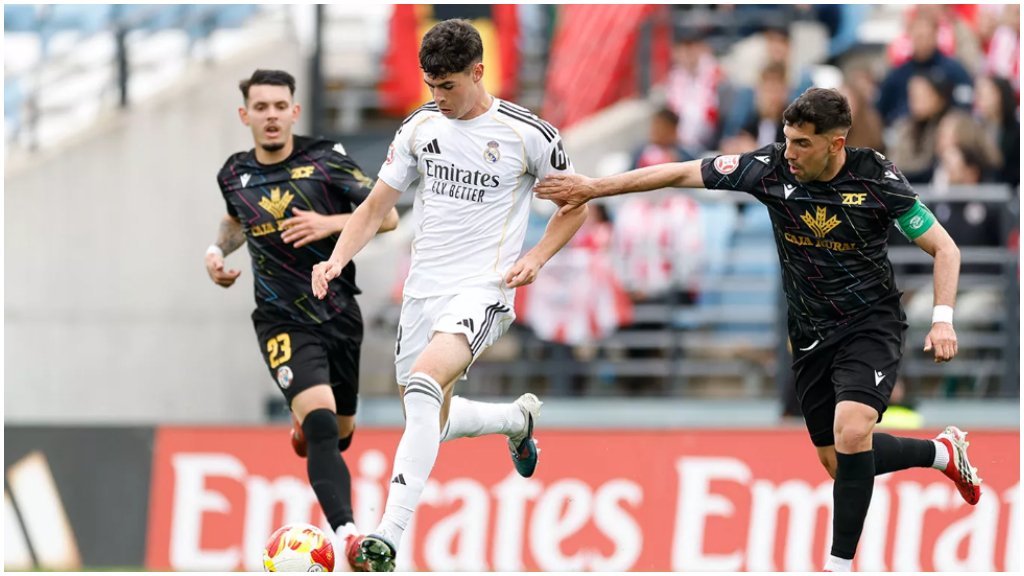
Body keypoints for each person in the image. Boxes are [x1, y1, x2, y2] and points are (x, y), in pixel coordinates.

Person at [536, 87, 983, 572]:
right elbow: (680, 172)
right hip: (810, 336)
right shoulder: (769, 168)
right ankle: (942, 453)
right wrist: (593, 187)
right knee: (840, 462)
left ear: (836, 143)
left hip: (869, 325)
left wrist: (942, 320)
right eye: (787, 140)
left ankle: (838, 565)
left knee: (853, 432)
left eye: (802, 144)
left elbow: (946, 249)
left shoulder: (876, 177)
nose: (789, 153)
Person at [311, 19, 586, 572]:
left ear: (478, 72)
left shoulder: (527, 134)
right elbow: (372, 209)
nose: (438, 98)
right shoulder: (418, 128)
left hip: (484, 289)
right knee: (427, 415)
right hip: (423, 292)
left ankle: (387, 535)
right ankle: (515, 421)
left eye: (449, 86)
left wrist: (534, 258)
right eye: (431, 86)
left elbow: (575, 203)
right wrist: (337, 259)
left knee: (423, 382)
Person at [205, 69, 399, 567]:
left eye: (280, 106)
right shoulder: (233, 172)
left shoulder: (325, 159)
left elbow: (389, 215)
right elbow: (235, 219)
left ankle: (312, 425)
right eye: (261, 107)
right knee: (319, 427)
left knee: (342, 432)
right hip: (280, 319)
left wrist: (329, 222)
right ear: (245, 115)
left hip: (337, 312)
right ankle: (350, 536)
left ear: (294, 111)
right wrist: (216, 250)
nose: (271, 115)